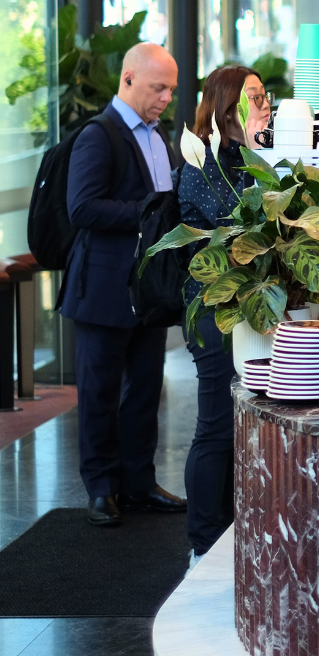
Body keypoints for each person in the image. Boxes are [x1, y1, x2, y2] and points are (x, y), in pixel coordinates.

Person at [60, 42, 186, 527]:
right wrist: (147, 214)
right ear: (128, 79)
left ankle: (139, 483)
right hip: (103, 288)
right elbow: (82, 208)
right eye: (158, 88)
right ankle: (101, 489)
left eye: (171, 90)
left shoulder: (158, 136)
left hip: (146, 290)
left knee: (144, 391)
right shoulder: (100, 135)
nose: (165, 99)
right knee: (99, 393)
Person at [179, 66, 265, 566]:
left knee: (238, 422)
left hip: (244, 306)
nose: (263, 104)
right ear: (227, 105)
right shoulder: (203, 159)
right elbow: (239, 222)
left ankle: (229, 532)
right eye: (253, 97)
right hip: (213, 307)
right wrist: (257, 148)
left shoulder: (239, 154)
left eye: (264, 95)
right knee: (215, 425)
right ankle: (203, 543)